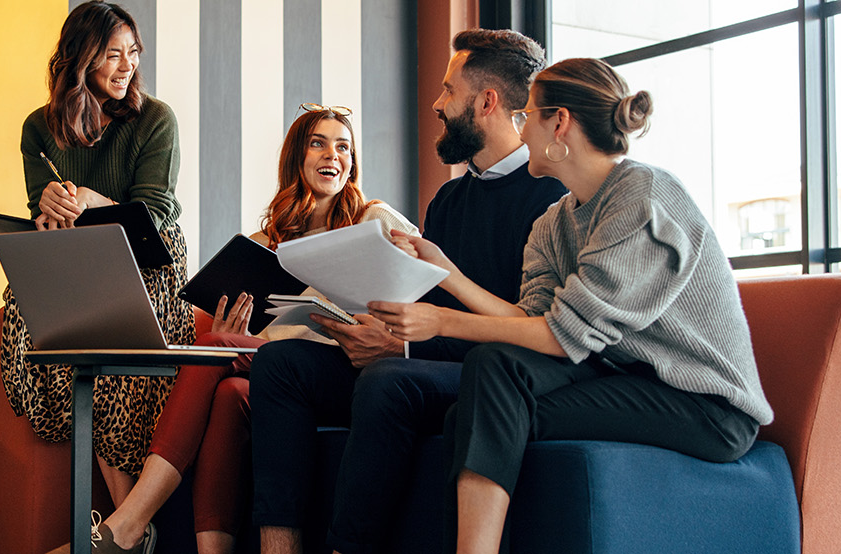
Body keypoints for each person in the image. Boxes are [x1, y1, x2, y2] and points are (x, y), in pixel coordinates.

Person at [367, 57, 774, 554]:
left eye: (528, 116)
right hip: (627, 381)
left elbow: (563, 334)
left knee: (490, 391)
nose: (520, 130)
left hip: (705, 406)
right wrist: (445, 271)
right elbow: (529, 318)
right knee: (479, 394)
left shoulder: (642, 195)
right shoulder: (554, 221)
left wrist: (440, 321)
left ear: (559, 122)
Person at [248, 30, 567, 554]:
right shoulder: (447, 199)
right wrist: (377, 327)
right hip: (425, 355)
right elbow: (428, 305)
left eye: (448, 90)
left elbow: (527, 334)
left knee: (388, 380)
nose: (437, 104)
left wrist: (404, 348)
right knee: (279, 366)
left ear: (486, 102)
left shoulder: (550, 199)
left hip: (488, 372)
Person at [92, 104, 416, 554]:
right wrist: (236, 330)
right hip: (279, 377)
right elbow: (267, 335)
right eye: (318, 143)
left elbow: (422, 287)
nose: (333, 155)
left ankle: (130, 520)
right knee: (228, 395)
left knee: (214, 344)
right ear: (297, 158)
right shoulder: (266, 244)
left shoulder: (374, 219)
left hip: (349, 369)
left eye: (344, 147)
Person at [0, 2, 188, 551]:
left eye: (133, 53)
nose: (127, 65)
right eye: (113, 54)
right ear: (81, 59)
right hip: (78, 259)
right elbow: (41, 210)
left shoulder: (156, 119)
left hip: (145, 261)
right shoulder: (39, 127)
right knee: (35, 310)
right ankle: (133, 532)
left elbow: (154, 212)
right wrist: (50, 208)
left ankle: (124, 532)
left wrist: (94, 200)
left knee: (102, 345)